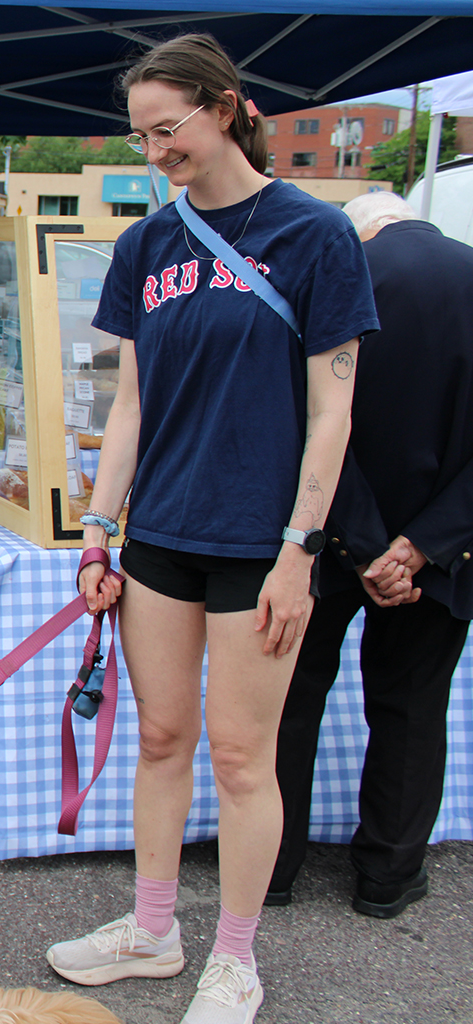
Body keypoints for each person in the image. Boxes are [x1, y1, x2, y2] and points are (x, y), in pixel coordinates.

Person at [43, 34, 379, 1024]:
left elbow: (334, 414)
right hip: (161, 535)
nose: (154, 151)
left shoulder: (315, 237)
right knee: (159, 736)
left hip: (260, 543)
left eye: (167, 129)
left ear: (224, 107)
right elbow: (131, 410)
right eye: (141, 135)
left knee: (240, 755)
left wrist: (299, 552)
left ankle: (234, 956)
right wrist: (97, 532)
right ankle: (153, 929)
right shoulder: (148, 246)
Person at [267, 191, 473, 919]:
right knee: (414, 709)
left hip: (327, 537)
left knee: (293, 703)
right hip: (447, 546)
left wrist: (362, 542)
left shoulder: (336, 274)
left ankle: (274, 869)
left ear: (360, 230)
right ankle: (387, 876)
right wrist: (422, 547)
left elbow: (311, 419)